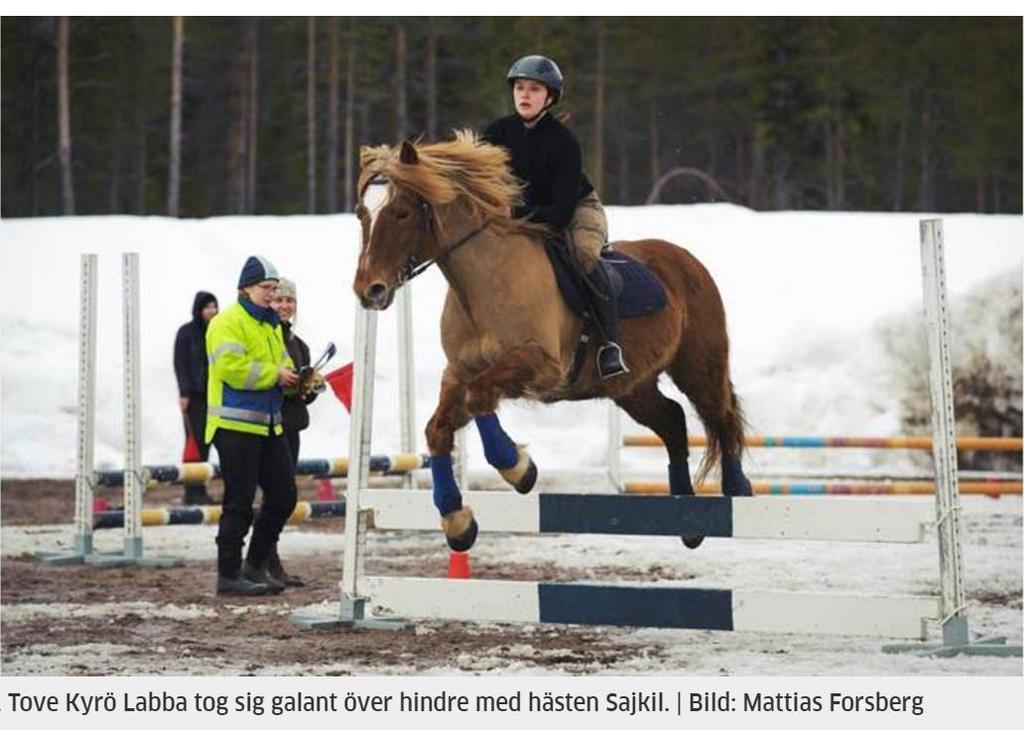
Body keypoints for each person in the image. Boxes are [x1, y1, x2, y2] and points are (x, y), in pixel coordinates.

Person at [482, 54, 628, 379]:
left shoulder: (565, 143)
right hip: (520, 212)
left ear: (549, 97)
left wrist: (513, 212)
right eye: (520, 87)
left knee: (584, 255)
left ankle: (609, 344)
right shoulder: (496, 132)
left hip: (575, 210)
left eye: (534, 89)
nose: (525, 94)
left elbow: (561, 213)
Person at [205, 255, 301, 596]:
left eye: (275, 289)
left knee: (284, 495)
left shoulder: (270, 324)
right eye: (266, 288)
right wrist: (274, 375)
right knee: (239, 501)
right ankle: (228, 575)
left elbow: (283, 362)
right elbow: (231, 367)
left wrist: (296, 378)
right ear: (246, 287)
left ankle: (256, 564)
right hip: (234, 426)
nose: (271, 294)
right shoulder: (225, 322)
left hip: (269, 426)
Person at [267, 276, 319, 587]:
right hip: (271, 427)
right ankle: (265, 559)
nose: (285, 305)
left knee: (284, 497)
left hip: (293, 426)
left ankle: (270, 559)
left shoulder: (300, 345)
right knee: (279, 497)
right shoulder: (267, 338)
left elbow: (303, 395)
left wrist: (311, 387)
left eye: (290, 301)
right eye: (279, 300)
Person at [173, 291, 218, 505]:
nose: (212, 310)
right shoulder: (187, 332)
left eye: (214, 306)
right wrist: (184, 393)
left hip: (216, 397)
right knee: (196, 443)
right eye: (208, 306)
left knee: (214, 442)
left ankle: (204, 488)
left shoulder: (220, 331)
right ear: (199, 309)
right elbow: (180, 364)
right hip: (195, 398)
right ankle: (193, 491)